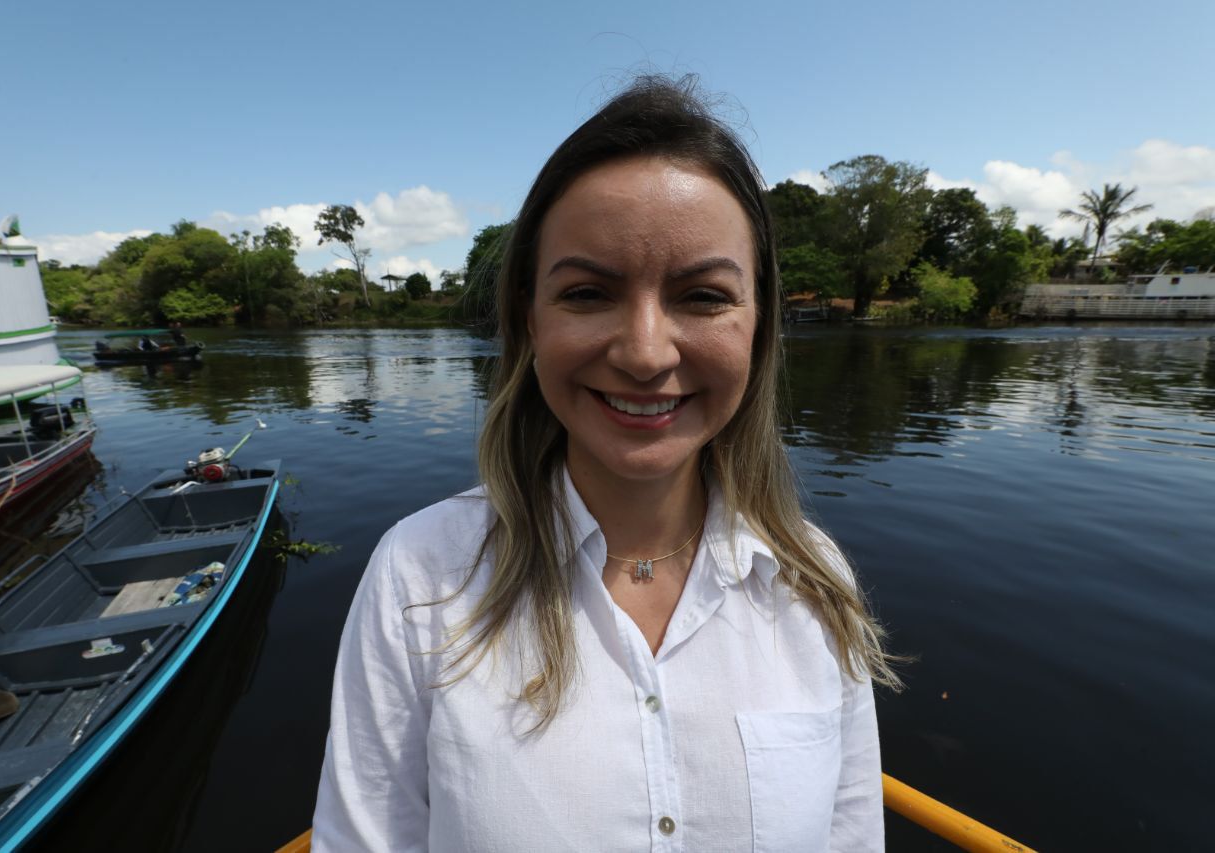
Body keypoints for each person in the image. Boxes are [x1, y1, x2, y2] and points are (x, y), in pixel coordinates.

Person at [313, 75, 900, 852]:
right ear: (530, 320)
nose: (646, 352)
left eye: (702, 296)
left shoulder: (812, 583)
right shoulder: (420, 579)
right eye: (588, 292)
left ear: (759, 323)